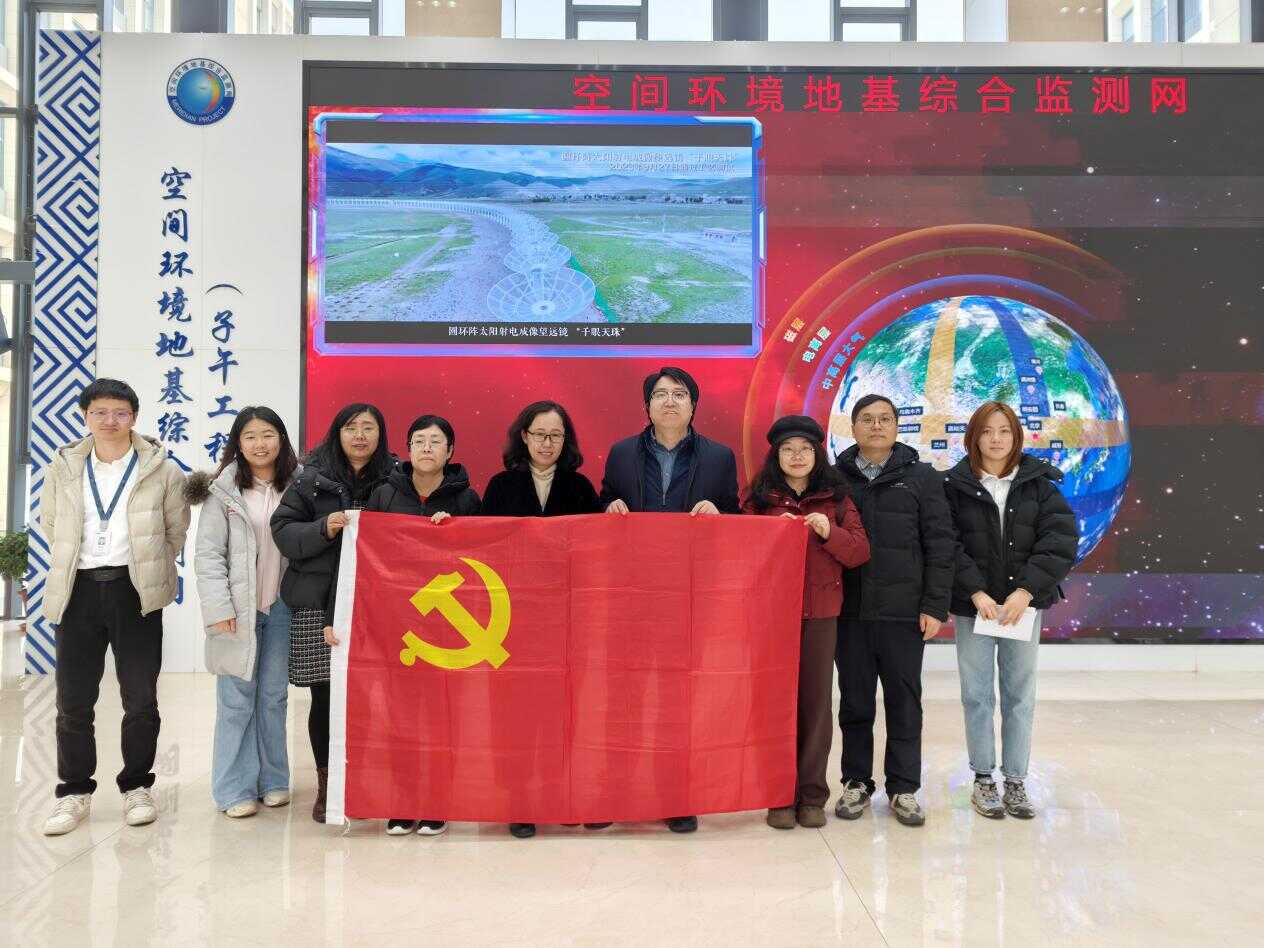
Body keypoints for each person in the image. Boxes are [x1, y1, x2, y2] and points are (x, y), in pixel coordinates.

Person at [38, 378, 190, 836]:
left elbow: (175, 530)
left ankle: (136, 787)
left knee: (140, 697)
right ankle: (74, 792)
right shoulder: (64, 466)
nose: (110, 421)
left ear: (134, 417)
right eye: (100, 412)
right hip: (78, 589)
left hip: (135, 590)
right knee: (72, 700)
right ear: (85, 416)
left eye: (120, 413)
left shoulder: (162, 469)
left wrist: (145, 567)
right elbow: (51, 522)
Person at [599, 366, 739, 834]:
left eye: (680, 394)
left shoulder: (719, 457)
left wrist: (720, 513)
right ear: (647, 406)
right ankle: (616, 792)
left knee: (678, 698)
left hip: (689, 596)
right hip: (631, 595)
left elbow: (736, 515)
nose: (670, 401)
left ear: (694, 405)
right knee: (625, 697)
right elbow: (604, 502)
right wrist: (609, 507)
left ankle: (675, 795)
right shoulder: (621, 453)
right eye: (660, 394)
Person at [945, 401, 1078, 820]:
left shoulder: (1040, 485)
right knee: (976, 695)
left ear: (1017, 436)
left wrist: (1025, 591)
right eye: (987, 431)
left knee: (1019, 695)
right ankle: (984, 779)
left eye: (1004, 430)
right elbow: (946, 543)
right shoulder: (953, 486)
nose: (996, 439)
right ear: (974, 437)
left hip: (1023, 608)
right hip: (975, 608)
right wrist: (975, 592)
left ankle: (1016, 781)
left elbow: (1059, 541)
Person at [482, 400, 604, 839]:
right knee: (515, 710)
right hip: (512, 618)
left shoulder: (581, 487)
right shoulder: (500, 486)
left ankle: (557, 791)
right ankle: (518, 798)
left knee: (563, 706)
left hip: (567, 618)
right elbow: (483, 546)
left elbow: (596, 550)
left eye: (556, 435)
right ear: (524, 436)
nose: (547, 443)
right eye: (539, 434)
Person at [741, 416, 870, 830]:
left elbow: (859, 551)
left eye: (805, 449)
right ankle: (778, 795)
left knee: (815, 705)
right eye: (788, 449)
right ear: (776, 456)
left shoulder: (837, 498)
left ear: (817, 454)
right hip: (770, 618)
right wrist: (766, 534)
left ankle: (812, 795)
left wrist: (829, 532)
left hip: (821, 613)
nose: (797, 456)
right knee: (773, 705)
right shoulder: (759, 500)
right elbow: (737, 555)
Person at [833, 394, 955, 828]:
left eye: (885, 418)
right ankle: (856, 781)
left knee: (905, 702)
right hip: (850, 613)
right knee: (855, 702)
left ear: (897, 426)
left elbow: (940, 543)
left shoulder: (921, 477)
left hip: (904, 614)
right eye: (867, 419)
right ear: (853, 427)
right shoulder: (835, 479)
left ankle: (904, 787)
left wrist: (934, 605)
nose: (876, 426)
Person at [270, 403, 392, 823]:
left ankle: (367, 780)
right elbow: (284, 532)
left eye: (368, 428)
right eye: (351, 427)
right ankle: (328, 783)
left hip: (376, 604)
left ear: (381, 435)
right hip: (317, 602)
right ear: (337, 434)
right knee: (323, 695)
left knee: (373, 696)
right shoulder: (309, 478)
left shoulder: (394, 477)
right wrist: (323, 528)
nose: (360, 435)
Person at [362, 413, 480, 837]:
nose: (426, 448)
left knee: (442, 715)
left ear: (450, 451)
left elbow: (482, 562)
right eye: (418, 441)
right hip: (398, 623)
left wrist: (454, 533)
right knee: (400, 715)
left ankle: (436, 801)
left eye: (435, 442)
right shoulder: (384, 494)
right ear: (407, 449)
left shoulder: (467, 499)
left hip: (448, 628)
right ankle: (403, 800)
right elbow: (365, 553)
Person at [188, 407, 299, 818]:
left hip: (282, 607)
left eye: (268, 434)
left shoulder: (299, 485)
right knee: (236, 700)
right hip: (238, 610)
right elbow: (208, 555)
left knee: (273, 697)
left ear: (281, 439)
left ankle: (273, 780)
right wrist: (218, 608)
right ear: (238, 443)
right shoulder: (223, 491)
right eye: (250, 436)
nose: (259, 444)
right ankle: (234, 788)